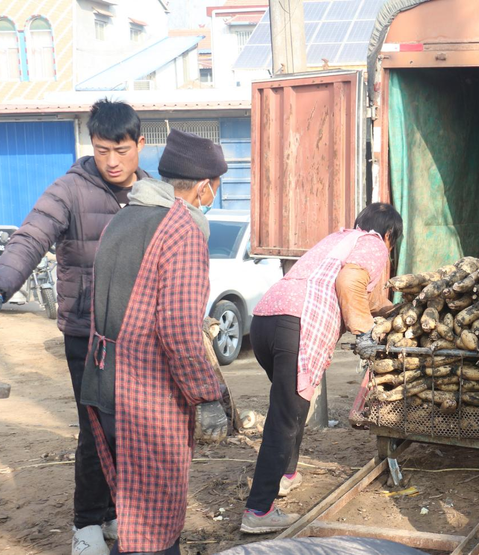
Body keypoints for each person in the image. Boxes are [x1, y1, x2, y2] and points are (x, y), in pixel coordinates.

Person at [0, 99, 149, 555]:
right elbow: (31, 236)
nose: (112, 162)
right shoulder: (69, 190)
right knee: (96, 428)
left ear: (140, 144)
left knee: (132, 428)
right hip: (87, 333)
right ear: (90, 146)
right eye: (101, 150)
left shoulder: (152, 194)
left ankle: (116, 512)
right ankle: (86, 526)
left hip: (138, 334)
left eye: (120, 150)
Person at [80, 129, 229, 555]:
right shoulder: (182, 227)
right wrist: (206, 397)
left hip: (102, 385)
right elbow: (179, 329)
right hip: (145, 397)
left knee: (131, 508)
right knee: (155, 525)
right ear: (203, 186)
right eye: (214, 189)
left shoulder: (125, 215)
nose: (212, 197)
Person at [240, 203, 402, 534]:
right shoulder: (373, 244)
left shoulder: (337, 240)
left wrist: (397, 308)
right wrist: (363, 331)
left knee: (292, 404)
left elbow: (365, 297)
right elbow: (349, 283)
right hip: (297, 325)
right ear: (388, 235)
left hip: (265, 321)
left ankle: (286, 475)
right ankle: (258, 510)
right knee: (285, 415)